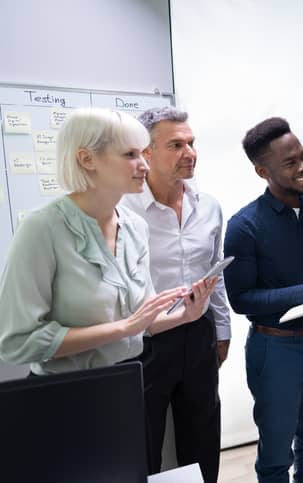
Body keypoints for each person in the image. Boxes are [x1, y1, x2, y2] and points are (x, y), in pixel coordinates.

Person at [0, 108, 216, 376]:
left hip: (128, 379)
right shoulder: (41, 229)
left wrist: (186, 315)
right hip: (64, 391)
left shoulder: (135, 226)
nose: (145, 165)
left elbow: (142, 321)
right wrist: (124, 328)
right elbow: (17, 343)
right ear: (87, 159)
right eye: (130, 155)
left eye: (143, 153)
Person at [224, 117, 303, 482]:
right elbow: (241, 299)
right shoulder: (244, 226)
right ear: (263, 172)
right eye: (290, 163)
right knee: (276, 452)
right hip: (274, 351)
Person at [120, 106, 231, 483]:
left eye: (192, 142)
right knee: (143, 441)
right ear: (146, 153)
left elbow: (215, 271)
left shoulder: (209, 207)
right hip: (146, 341)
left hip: (199, 334)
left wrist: (223, 330)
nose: (190, 152)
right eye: (176, 144)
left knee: (202, 434)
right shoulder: (122, 212)